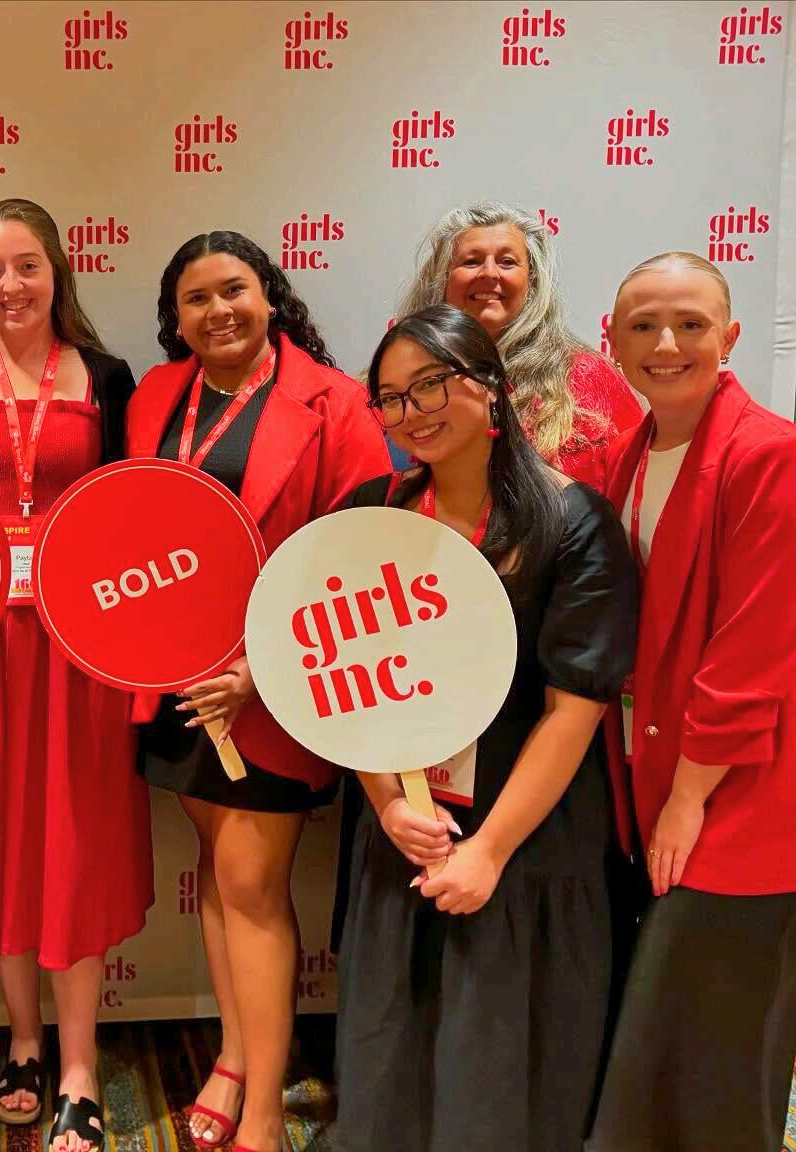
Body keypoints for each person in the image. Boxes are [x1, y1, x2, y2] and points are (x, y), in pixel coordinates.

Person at [334, 304, 639, 1152]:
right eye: (391, 397)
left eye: (432, 383)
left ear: (492, 388)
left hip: (525, 834)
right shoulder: (371, 513)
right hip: (408, 825)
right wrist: (389, 804)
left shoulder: (575, 525)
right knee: (391, 1050)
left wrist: (491, 851)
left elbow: (573, 711)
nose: (412, 411)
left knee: (500, 1064)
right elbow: (346, 690)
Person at [126, 231, 388, 1152]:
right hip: (178, 683)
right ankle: (236, 1058)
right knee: (218, 872)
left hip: (271, 688)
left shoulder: (337, 401)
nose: (218, 311)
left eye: (233, 290)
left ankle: (266, 1112)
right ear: (176, 318)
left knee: (252, 886)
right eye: (195, 298)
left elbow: (353, 557)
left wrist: (262, 671)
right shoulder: (158, 394)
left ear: (270, 296)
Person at [0, 198, 151, 1152]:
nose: (10, 285)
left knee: (73, 848)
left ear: (58, 270)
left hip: (76, 651)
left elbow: (131, 512)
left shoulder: (106, 375)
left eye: (26, 266)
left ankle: (79, 1064)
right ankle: (22, 1041)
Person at [588, 252, 796, 1152]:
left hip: (737, 787)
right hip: (656, 770)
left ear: (730, 336)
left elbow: (754, 648)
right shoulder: (628, 454)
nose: (666, 343)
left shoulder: (770, 453)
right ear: (613, 340)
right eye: (644, 325)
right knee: (672, 1024)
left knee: (723, 1031)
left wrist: (687, 795)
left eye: (690, 324)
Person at [396, 201, 641, 485]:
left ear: (532, 280)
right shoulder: (398, 379)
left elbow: (634, 485)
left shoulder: (589, 377)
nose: (489, 273)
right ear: (442, 279)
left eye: (507, 262)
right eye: (471, 261)